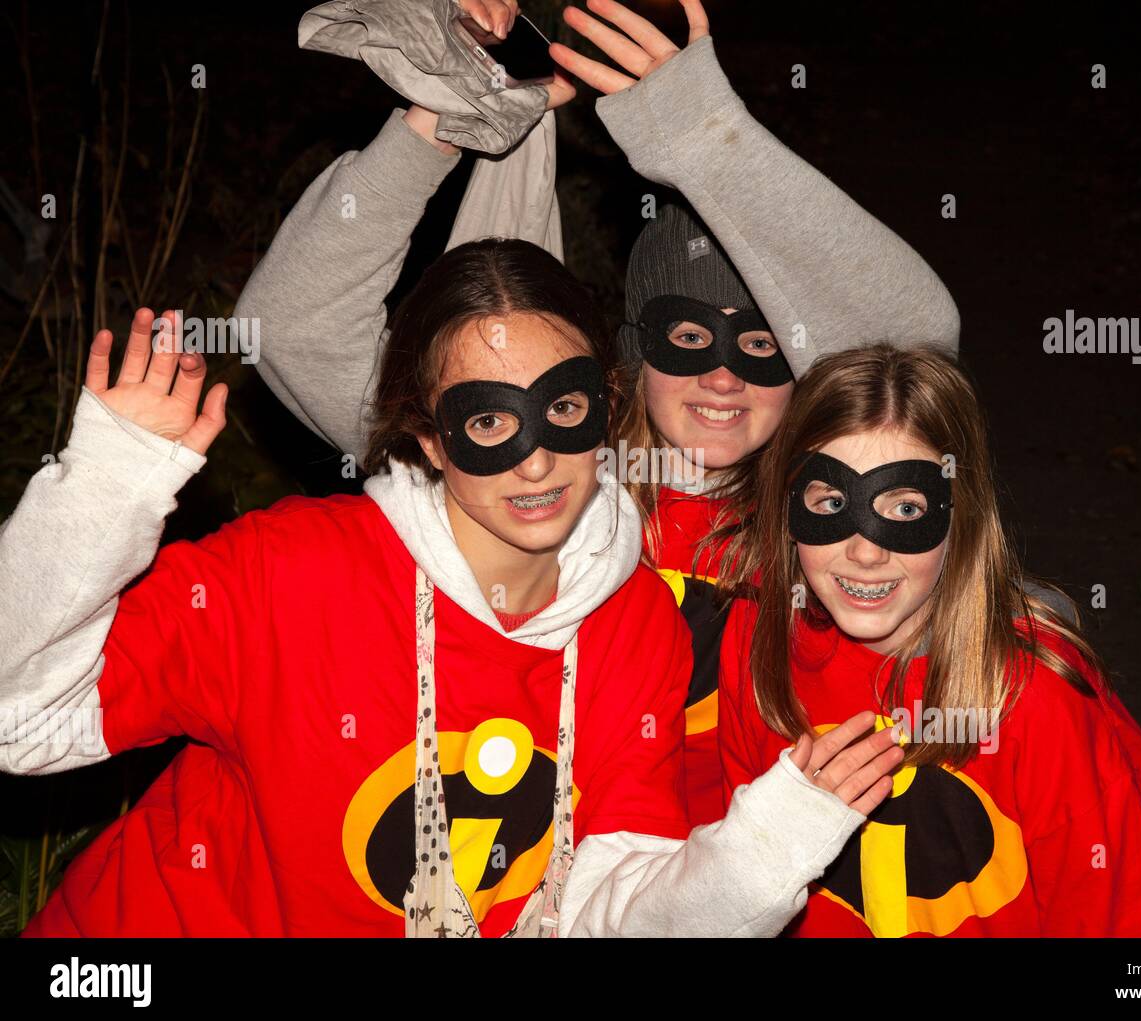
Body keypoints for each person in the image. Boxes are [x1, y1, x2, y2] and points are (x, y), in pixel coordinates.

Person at [0, 242, 904, 938]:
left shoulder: (635, 627)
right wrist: (102, 493)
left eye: (565, 407)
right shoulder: (292, 573)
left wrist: (761, 855)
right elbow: (21, 718)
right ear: (429, 438)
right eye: (486, 419)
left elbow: (605, 905)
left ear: (607, 401)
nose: (538, 455)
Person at [240, 0, 961, 826]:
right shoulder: (537, 475)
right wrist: (434, 123)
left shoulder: (830, 519)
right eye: (688, 337)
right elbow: (292, 328)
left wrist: (710, 143)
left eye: (761, 347)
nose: (723, 377)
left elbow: (919, 349)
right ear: (632, 355)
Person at [717, 343, 1141, 937]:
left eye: (906, 508)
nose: (865, 552)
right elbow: (733, 872)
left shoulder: (1034, 698)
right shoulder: (759, 642)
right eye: (833, 503)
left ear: (958, 516)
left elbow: (1120, 911)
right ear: (787, 506)